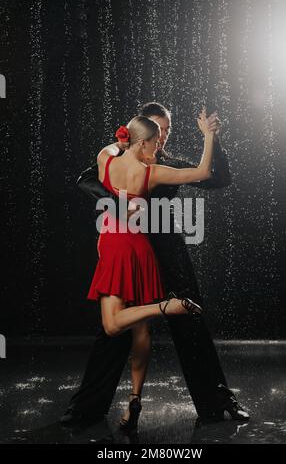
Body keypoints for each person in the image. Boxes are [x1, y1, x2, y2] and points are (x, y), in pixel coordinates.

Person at [61, 104, 249, 431]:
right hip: (129, 248)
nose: (161, 139)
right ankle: (86, 408)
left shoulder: (167, 163)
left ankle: (218, 402)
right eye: (157, 131)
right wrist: (119, 205)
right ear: (143, 133)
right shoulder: (125, 158)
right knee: (115, 333)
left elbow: (218, 178)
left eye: (167, 132)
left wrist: (213, 139)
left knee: (191, 319)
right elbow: (85, 178)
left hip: (168, 250)